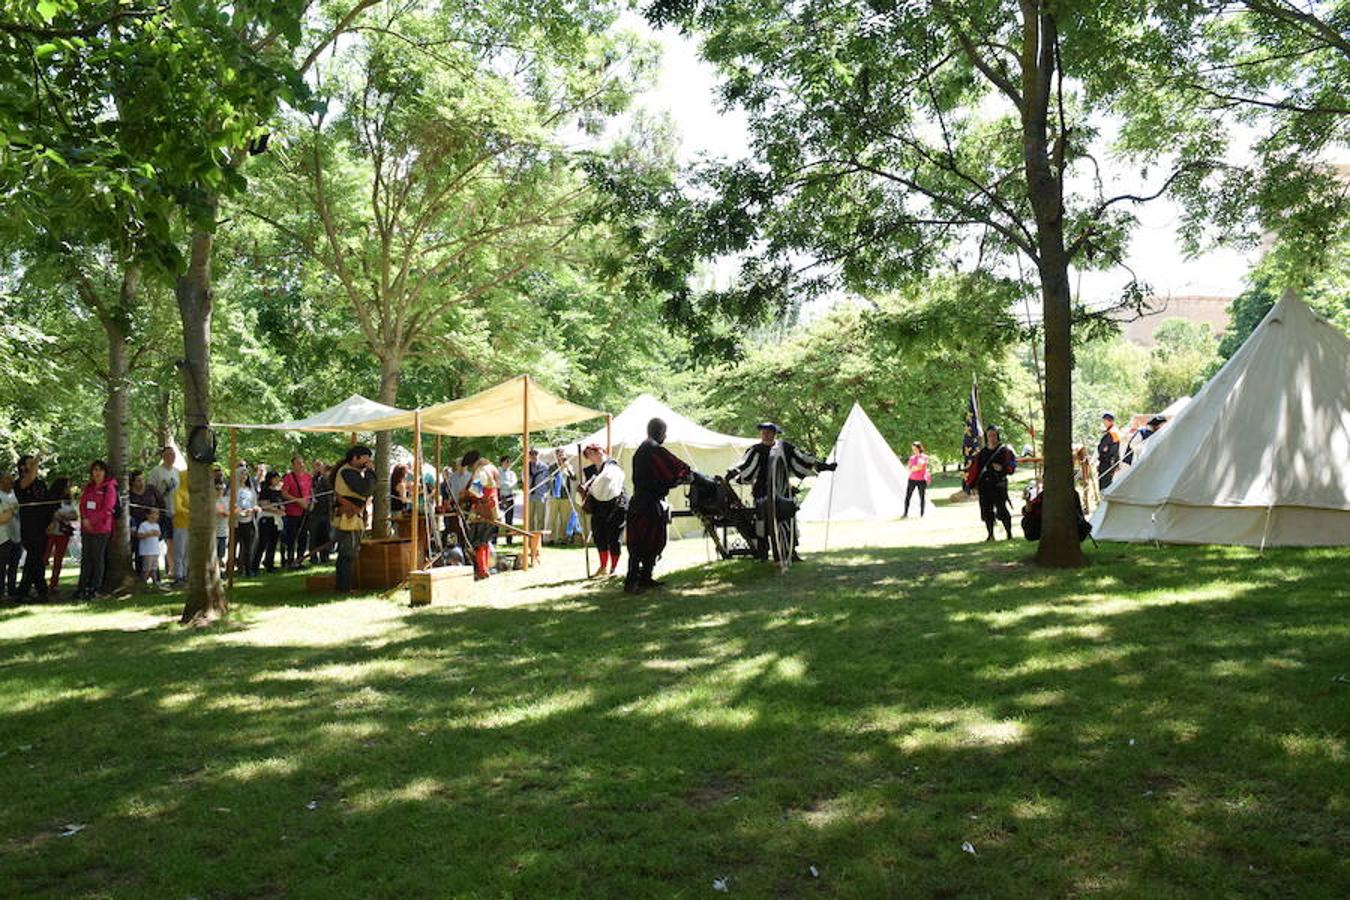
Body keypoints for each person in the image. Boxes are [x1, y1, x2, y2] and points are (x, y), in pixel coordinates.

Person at [725, 421, 836, 561]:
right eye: (764, 432)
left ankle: (791, 552)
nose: (766, 435)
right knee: (761, 522)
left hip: (782, 490)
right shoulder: (756, 449)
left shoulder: (784, 447)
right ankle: (763, 553)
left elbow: (802, 457)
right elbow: (745, 464)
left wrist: (822, 465)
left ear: (774, 433)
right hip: (762, 491)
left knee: (788, 520)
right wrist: (733, 472)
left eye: (769, 432)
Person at [625, 418, 693, 594]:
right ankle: (633, 581)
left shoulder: (642, 449)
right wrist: (686, 474)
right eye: (664, 432)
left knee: (644, 543)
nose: (665, 435)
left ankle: (644, 577)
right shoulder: (652, 449)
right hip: (647, 503)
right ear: (659, 432)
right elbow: (675, 466)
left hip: (640, 502)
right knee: (644, 543)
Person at [333, 446, 376, 592]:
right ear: (355, 457)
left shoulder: (350, 471)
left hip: (350, 516)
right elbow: (366, 489)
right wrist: (370, 472)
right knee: (348, 553)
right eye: (365, 457)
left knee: (347, 553)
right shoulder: (347, 472)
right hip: (348, 517)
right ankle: (344, 588)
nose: (368, 461)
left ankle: (343, 587)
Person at [580, 444, 627, 577]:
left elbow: (608, 481)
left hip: (616, 505)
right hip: (597, 507)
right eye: (589, 454)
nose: (592, 456)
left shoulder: (612, 466)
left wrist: (592, 485)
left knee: (614, 537)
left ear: (601, 451)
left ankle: (613, 568)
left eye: (593, 452)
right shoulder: (589, 470)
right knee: (599, 537)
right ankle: (603, 566)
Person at [964, 426, 1017, 541]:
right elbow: (975, 469)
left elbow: (1011, 467)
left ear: (997, 435)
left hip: (998, 484)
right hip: (984, 486)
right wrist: (971, 485)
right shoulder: (982, 453)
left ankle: (1009, 533)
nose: (991, 437)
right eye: (989, 435)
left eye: (993, 435)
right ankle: (990, 534)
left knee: (1002, 509)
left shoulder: (1004, 451)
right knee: (987, 511)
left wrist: (1002, 469)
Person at [76, 460, 118, 600]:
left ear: (105, 472)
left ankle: (96, 588)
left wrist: (92, 521)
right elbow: (82, 505)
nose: (97, 473)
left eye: (100, 470)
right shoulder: (89, 487)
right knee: (86, 558)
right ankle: (82, 588)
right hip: (86, 528)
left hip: (101, 528)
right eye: (94, 470)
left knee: (97, 558)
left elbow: (108, 509)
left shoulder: (109, 488)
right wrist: (84, 519)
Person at [15, 454, 54, 601]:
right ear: (22, 467)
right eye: (30, 463)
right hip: (29, 527)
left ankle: (30, 591)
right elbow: (28, 480)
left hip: (43, 526)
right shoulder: (19, 483)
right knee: (34, 558)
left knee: (36, 560)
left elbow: (48, 503)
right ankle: (37, 590)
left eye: (34, 463)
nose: (34, 466)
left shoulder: (41, 484)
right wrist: (36, 461)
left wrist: (51, 521)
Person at [459, 451, 501, 579]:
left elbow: (476, 491)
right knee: (484, 540)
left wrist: (465, 494)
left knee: (478, 542)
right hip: (491, 508)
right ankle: (484, 568)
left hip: (484, 509)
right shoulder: (491, 467)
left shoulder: (481, 471)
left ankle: (482, 570)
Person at [146, 446, 180, 581]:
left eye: (173, 454)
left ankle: (174, 568)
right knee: (165, 541)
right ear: (163, 456)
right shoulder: (156, 471)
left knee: (174, 541)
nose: (171, 457)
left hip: (176, 511)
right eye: (168, 454)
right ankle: (157, 570)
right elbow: (151, 491)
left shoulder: (177, 472)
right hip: (162, 511)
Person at [280, 455, 313, 568]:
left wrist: (311, 502)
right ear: (293, 465)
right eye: (298, 463)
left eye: (302, 462)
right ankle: (290, 560)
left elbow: (310, 491)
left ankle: (299, 560)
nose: (301, 465)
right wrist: (297, 501)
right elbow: (284, 493)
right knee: (292, 537)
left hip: (305, 511)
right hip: (293, 512)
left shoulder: (308, 477)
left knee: (304, 536)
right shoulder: (289, 477)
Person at [45, 477, 76, 595]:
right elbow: (48, 514)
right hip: (50, 532)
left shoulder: (69, 501)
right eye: (67, 486)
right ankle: (39, 582)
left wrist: (62, 517)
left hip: (63, 533)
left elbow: (74, 515)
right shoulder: (50, 499)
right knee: (44, 558)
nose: (69, 489)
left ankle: (54, 584)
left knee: (58, 560)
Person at [253, 471, 285, 573]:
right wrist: (276, 509)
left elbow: (281, 504)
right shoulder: (265, 490)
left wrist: (281, 509)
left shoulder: (278, 491)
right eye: (275, 478)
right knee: (263, 543)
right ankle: (255, 566)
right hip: (266, 519)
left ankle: (269, 564)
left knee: (273, 542)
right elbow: (263, 504)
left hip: (276, 519)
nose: (277, 480)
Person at [234, 467, 260, 577]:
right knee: (234, 546)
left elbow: (254, 503)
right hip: (236, 522)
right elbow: (232, 504)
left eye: (245, 474)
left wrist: (254, 509)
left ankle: (248, 570)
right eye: (241, 474)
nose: (243, 476)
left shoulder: (250, 489)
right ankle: (231, 569)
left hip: (249, 521)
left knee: (248, 547)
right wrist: (240, 512)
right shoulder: (234, 489)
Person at [546, 449, 575, 545]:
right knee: (552, 517)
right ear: (556, 456)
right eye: (559, 455)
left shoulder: (569, 466)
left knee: (564, 518)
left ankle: (563, 538)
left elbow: (574, 478)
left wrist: (568, 468)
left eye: (563, 454)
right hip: (555, 495)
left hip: (565, 496)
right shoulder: (552, 466)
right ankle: (551, 538)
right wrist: (560, 468)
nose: (561, 456)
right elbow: (550, 477)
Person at [0, 472, 19, 600]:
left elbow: (16, 510)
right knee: (1, 567)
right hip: (3, 536)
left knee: (14, 565)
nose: (11, 481)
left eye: (12, 479)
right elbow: (3, 518)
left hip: (15, 535)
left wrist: (11, 510)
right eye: (8, 479)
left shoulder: (13, 495)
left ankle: (12, 590)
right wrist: (11, 510)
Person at [309, 460, 333, 565]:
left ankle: (325, 556)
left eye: (320, 466)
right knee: (314, 535)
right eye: (316, 466)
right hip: (315, 512)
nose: (318, 468)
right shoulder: (312, 480)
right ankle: (313, 557)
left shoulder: (329, 480)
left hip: (326, 511)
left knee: (326, 535)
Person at [137, 507, 166, 590]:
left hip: (155, 551)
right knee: (147, 569)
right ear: (147, 515)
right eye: (153, 513)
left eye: (157, 514)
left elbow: (159, 535)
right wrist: (149, 534)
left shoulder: (157, 525)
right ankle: (143, 584)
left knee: (154, 568)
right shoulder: (144, 525)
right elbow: (139, 535)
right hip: (147, 551)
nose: (155, 516)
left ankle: (155, 583)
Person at [903, 441, 932, 518]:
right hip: (912, 479)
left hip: (921, 480)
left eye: (915, 449)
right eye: (913, 449)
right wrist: (914, 468)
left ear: (919, 448)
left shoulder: (924, 457)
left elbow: (919, 467)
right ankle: (905, 513)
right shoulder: (912, 457)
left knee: (921, 497)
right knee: (908, 496)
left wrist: (914, 468)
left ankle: (922, 514)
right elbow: (909, 467)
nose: (914, 450)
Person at [171, 470, 190, 587]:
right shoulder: (178, 492)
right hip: (180, 525)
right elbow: (178, 508)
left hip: (190, 525)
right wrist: (191, 512)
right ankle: (178, 575)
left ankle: (185, 574)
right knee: (179, 551)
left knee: (187, 552)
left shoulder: (192, 493)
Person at [526, 449, 550, 535]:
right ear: (529, 456)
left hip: (541, 495)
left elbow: (548, 481)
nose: (533, 456)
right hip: (530, 496)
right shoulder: (526, 467)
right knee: (530, 518)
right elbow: (524, 480)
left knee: (540, 517)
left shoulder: (544, 467)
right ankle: (529, 536)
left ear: (538, 455)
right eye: (531, 455)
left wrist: (546, 493)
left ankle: (539, 538)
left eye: (535, 454)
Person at [1097, 412, 1122, 491]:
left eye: (1105, 421)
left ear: (1109, 421)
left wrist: (1101, 449)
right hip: (1111, 462)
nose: (1104, 423)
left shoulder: (1111, 433)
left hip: (1107, 462)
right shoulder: (1113, 431)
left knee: (1104, 485)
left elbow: (1105, 449)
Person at [497, 455, 518, 544]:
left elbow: (513, 484)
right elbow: (498, 484)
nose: (508, 463)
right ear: (502, 462)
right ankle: (494, 539)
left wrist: (504, 484)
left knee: (509, 519)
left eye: (509, 462)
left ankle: (509, 540)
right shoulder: (497, 472)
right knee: (497, 518)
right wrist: (506, 484)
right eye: (507, 461)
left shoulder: (512, 474)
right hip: (500, 497)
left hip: (509, 497)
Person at [213, 479, 230, 569]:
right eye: (217, 489)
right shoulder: (211, 501)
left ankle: (219, 569)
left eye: (222, 488)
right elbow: (220, 512)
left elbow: (236, 508)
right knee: (214, 552)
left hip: (224, 531)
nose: (220, 491)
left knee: (221, 552)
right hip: (214, 532)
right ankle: (215, 570)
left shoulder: (227, 500)